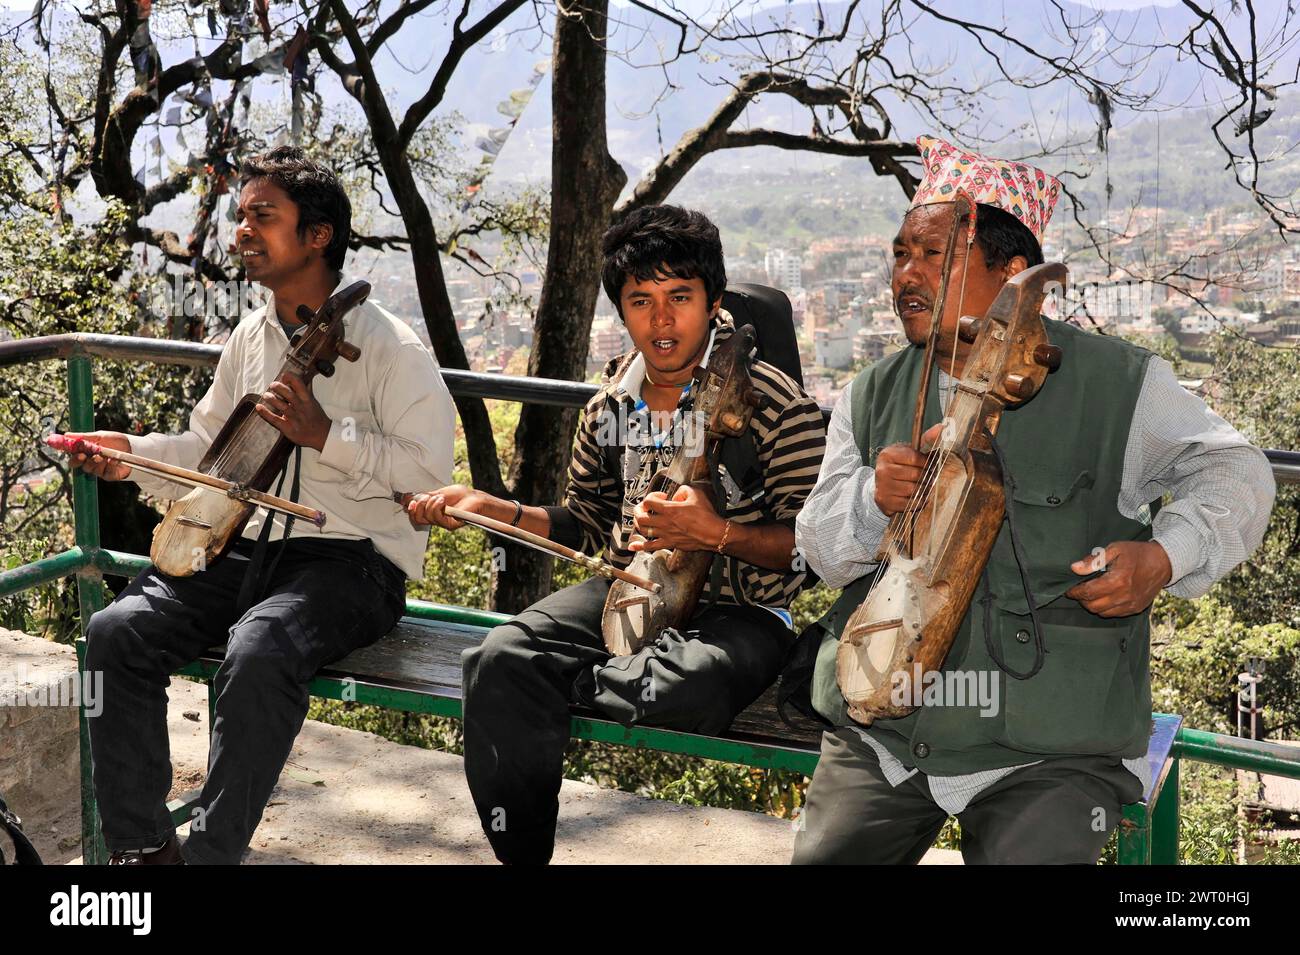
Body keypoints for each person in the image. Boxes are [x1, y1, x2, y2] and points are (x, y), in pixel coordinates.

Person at [790, 135, 1276, 865]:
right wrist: (871, 499)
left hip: (1050, 747)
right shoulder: (871, 394)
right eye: (900, 255)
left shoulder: (1120, 385)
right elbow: (819, 552)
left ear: (1016, 276)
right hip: (887, 730)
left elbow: (1239, 470)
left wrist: (1164, 556)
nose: (906, 276)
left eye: (936, 256)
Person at [68, 145, 454, 865]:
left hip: (352, 563)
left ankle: (212, 856)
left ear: (318, 235)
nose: (243, 229)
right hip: (244, 547)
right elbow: (211, 453)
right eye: (241, 216)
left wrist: (325, 436)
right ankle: (144, 853)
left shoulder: (392, 348)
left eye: (262, 216)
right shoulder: (251, 336)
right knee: (115, 631)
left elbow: (428, 478)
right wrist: (126, 454)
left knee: (259, 648)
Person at [407, 204, 827, 864]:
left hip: (742, 612)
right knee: (497, 659)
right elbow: (582, 521)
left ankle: (578, 679)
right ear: (621, 310)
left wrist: (717, 533)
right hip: (629, 590)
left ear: (712, 302)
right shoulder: (610, 408)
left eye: (679, 297)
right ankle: (521, 852)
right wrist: (490, 505)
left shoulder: (774, 404)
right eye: (641, 300)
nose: (661, 320)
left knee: (694, 688)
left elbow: (813, 547)